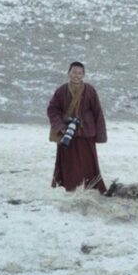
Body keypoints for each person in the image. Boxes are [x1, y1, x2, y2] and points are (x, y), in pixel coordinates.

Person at [47, 61, 107, 194]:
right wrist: (60, 126)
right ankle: (70, 187)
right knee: (69, 164)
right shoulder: (61, 91)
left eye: (80, 73)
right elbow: (52, 109)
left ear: (83, 75)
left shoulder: (90, 90)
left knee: (89, 163)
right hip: (67, 134)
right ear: (69, 73)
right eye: (74, 72)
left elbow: (98, 112)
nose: (77, 75)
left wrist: (100, 134)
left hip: (86, 133)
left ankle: (92, 188)